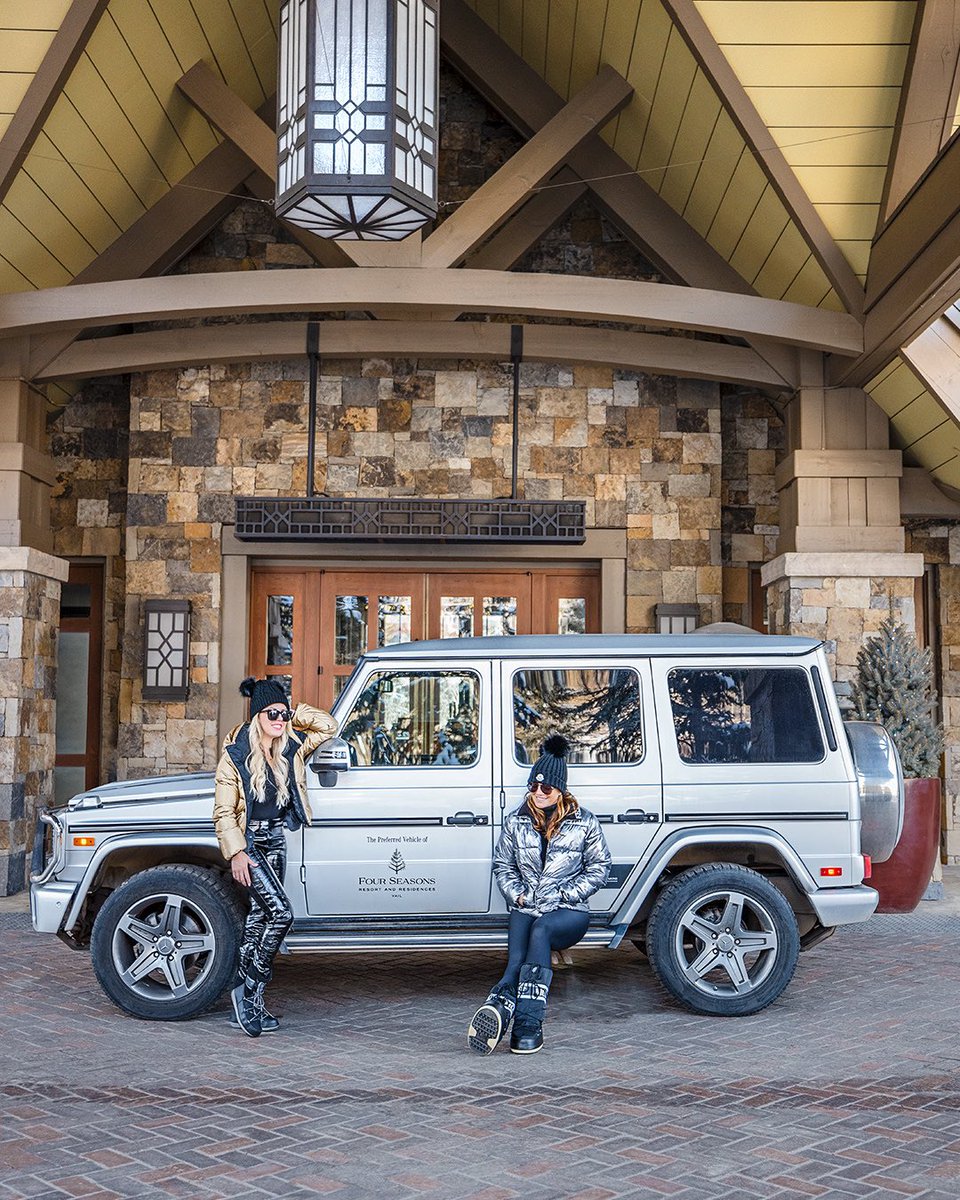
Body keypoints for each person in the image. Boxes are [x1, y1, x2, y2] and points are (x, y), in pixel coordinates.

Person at [467, 734, 611, 1055]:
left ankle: (526, 1021)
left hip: (568, 912)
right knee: (516, 960)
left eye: (546, 788)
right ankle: (506, 1017)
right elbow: (503, 864)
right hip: (527, 906)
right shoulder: (516, 821)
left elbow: (600, 867)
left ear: (560, 790)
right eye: (533, 786)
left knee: (542, 930)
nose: (538, 793)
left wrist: (563, 893)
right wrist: (518, 895)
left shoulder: (583, 822)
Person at [213, 677, 337, 1037]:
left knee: (259, 918)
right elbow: (223, 812)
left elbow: (328, 726)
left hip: (277, 841)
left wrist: (294, 710)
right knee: (281, 914)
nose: (280, 720)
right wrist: (236, 852)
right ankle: (248, 987)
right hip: (249, 843)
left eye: (283, 713)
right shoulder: (235, 755)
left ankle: (250, 1003)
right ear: (256, 715)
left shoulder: (291, 748)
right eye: (273, 713)